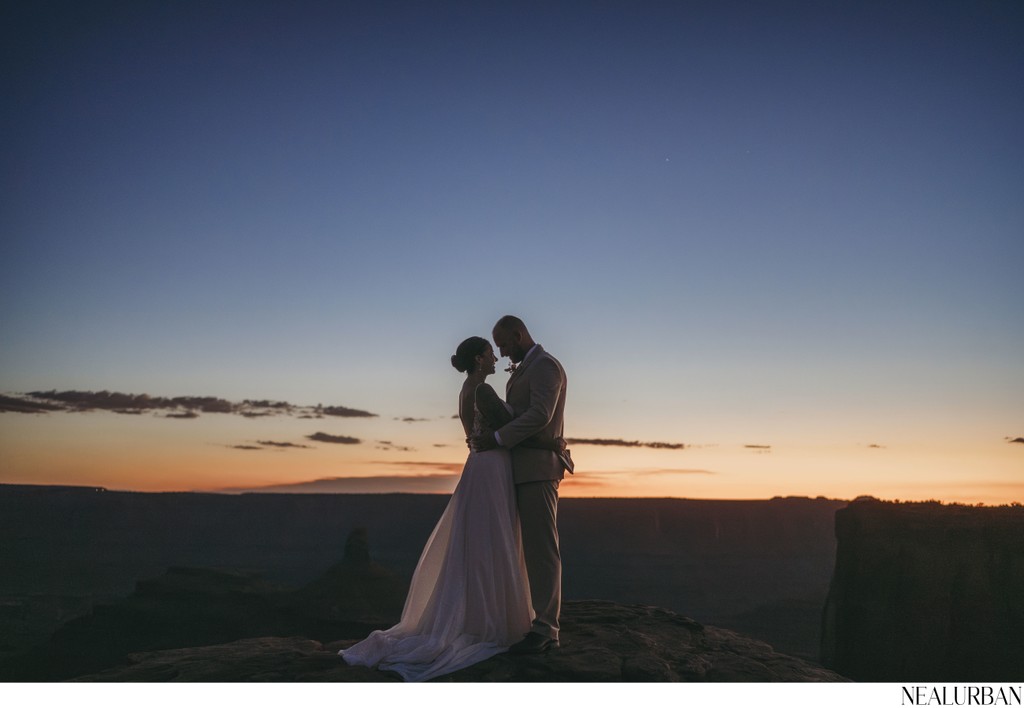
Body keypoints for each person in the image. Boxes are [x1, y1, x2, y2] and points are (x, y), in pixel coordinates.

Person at [339, 335, 562, 681]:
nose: (494, 358)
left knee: (481, 541)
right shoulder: (483, 391)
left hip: (479, 466)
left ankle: (480, 612)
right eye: (489, 354)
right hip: (492, 469)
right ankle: (490, 619)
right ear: (477, 359)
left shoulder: (466, 389)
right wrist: (551, 440)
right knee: (494, 540)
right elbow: (509, 427)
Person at [472, 315, 570, 655]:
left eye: (503, 344)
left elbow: (540, 415)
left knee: (542, 550)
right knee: (524, 549)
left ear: (518, 334)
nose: (501, 351)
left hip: (539, 469)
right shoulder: (527, 368)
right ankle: (531, 619)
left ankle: (546, 629)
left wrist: (497, 438)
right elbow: (518, 412)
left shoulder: (546, 367)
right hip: (519, 468)